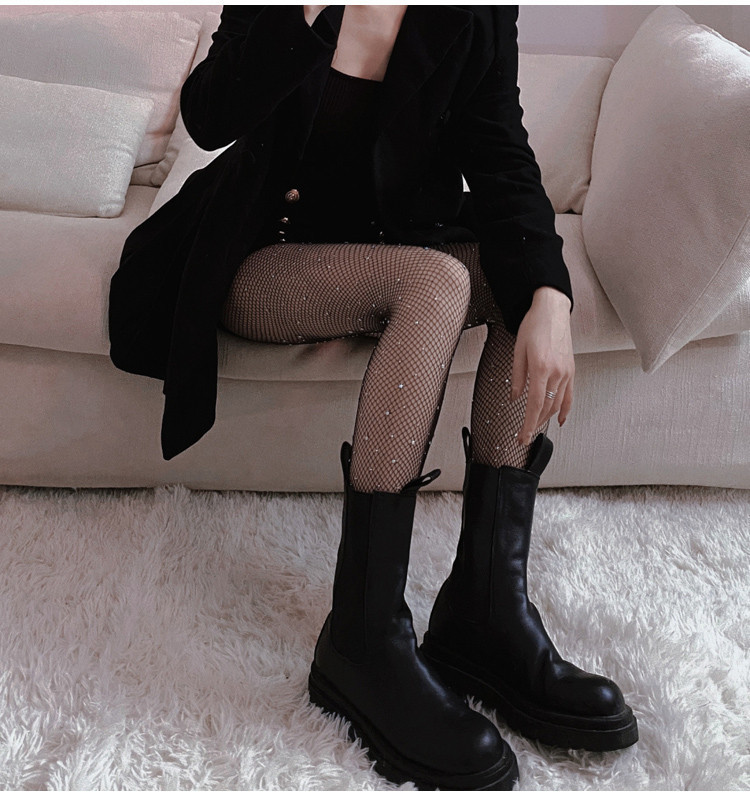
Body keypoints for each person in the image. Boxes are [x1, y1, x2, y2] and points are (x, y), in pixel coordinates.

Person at [109, 5, 637, 790]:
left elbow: (500, 150)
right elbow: (210, 117)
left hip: (391, 244)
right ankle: (362, 637)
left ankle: (486, 612)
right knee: (437, 281)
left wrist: (550, 297)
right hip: (264, 254)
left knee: (517, 281)